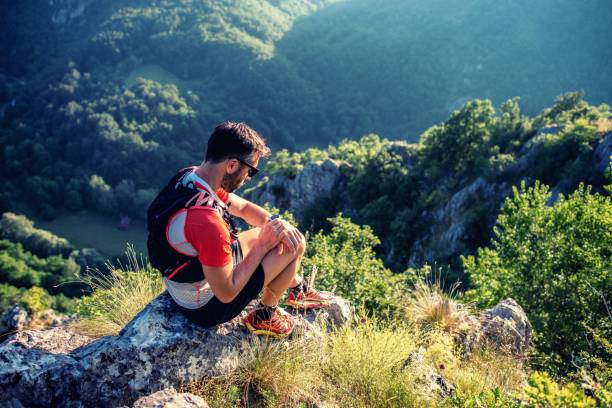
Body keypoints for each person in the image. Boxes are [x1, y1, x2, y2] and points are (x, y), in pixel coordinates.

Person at [147, 121, 331, 338]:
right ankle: (265, 315)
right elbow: (226, 292)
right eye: (250, 170)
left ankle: (297, 288)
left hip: (186, 279)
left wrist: (276, 222)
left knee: (286, 236)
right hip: (205, 306)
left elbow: (242, 207)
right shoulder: (208, 222)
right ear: (232, 165)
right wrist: (262, 246)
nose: (248, 178)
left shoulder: (190, 179)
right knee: (294, 245)